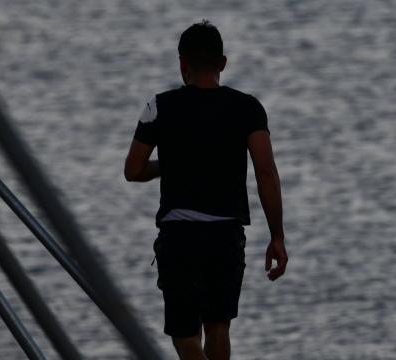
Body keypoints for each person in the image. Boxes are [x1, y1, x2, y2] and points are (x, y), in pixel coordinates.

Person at [124, 20, 287, 360]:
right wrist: (277, 237)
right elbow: (266, 173)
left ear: (182, 63)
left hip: (179, 237)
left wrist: (168, 164)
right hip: (225, 237)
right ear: (223, 63)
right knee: (218, 327)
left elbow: (134, 170)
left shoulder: (159, 106)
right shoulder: (247, 108)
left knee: (185, 337)